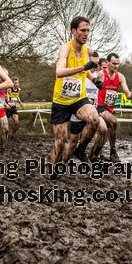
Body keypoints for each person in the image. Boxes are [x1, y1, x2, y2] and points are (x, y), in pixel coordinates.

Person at [49, 16, 102, 163]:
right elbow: (59, 72)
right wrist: (84, 67)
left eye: (88, 31)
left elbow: (86, 70)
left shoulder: (86, 49)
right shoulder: (66, 48)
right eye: (82, 30)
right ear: (73, 31)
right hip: (61, 101)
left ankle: (80, 150)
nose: (86, 34)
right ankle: (52, 169)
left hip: (79, 98)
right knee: (60, 143)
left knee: (94, 120)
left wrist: (94, 79)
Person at [95, 52, 132, 162]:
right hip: (99, 106)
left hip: (110, 108)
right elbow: (94, 85)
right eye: (114, 63)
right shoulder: (101, 74)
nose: (116, 66)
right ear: (108, 63)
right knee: (114, 122)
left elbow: (127, 94)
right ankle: (113, 151)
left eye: (118, 64)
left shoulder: (120, 77)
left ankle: (97, 153)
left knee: (104, 131)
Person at [66, 52, 108, 162]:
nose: (95, 66)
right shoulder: (80, 76)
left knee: (103, 129)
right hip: (79, 113)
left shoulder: (98, 77)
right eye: (92, 63)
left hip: (92, 112)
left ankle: (93, 157)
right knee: (73, 143)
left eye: (97, 64)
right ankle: (60, 165)